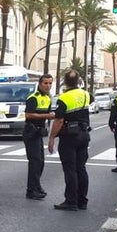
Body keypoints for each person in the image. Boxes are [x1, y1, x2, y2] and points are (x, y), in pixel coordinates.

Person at [47, 70, 92, 211]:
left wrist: (52, 138)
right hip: (84, 134)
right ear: (79, 81)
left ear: (65, 82)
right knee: (81, 168)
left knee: (70, 169)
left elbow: (59, 120)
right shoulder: (85, 94)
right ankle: (82, 201)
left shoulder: (64, 98)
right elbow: (91, 100)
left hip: (69, 136)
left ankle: (71, 201)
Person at [23, 74, 55, 200]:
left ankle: (36, 186)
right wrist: (47, 116)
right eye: (45, 83)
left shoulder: (48, 98)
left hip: (39, 133)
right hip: (31, 132)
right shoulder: (33, 98)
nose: (48, 86)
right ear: (40, 84)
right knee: (35, 162)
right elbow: (28, 115)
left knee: (40, 162)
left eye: (50, 83)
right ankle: (31, 190)